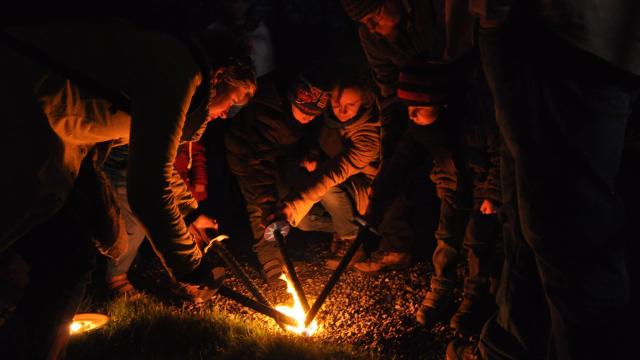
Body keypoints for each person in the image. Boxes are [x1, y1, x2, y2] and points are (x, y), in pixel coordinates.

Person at [0, 21, 255, 359]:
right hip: (24, 125)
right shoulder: (179, 72)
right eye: (232, 103)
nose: (225, 116)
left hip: (50, 135)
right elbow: (149, 186)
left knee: (64, 259)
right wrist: (190, 266)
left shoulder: (175, 67)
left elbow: (150, 159)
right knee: (59, 259)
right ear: (220, 75)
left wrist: (190, 211)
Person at [447, 1, 640, 359]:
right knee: (532, 222)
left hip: (565, 43)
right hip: (574, 41)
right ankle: (511, 344)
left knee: (565, 230)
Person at [356, 59, 500, 334]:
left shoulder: (478, 118)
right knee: (446, 239)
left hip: (482, 192)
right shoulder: (422, 126)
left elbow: (499, 155)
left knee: (477, 243)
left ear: (440, 102)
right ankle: (440, 290)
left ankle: (473, 297)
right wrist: (377, 199)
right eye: (409, 109)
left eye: (418, 109)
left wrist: (493, 193)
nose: (412, 115)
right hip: (451, 188)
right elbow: (400, 161)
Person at [340, 0, 478, 271]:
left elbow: (461, 58)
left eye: (374, 15)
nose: (371, 27)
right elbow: (389, 91)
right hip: (417, 108)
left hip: (459, 104)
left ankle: (470, 263)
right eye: (364, 22)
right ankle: (407, 246)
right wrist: (388, 148)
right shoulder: (373, 36)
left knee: (464, 181)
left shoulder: (433, 12)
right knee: (393, 166)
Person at [225, 71, 330, 284]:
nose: (307, 117)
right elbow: (259, 166)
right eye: (303, 111)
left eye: (313, 115)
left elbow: (307, 138)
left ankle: (285, 255)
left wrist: (309, 154)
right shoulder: (266, 112)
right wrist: (267, 205)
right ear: (292, 99)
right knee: (261, 209)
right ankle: (272, 265)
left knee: (287, 204)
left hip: (279, 157)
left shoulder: (302, 118)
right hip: (247, 158)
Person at [272, 68, 381, 270]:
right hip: (336, 186)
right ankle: (341, 226)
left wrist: (293, 206)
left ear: (364, 102)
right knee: (302, 221)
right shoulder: (332, 121)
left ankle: (351, 237)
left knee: (325, 185)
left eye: (350, 105)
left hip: (363, 191)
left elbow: (334, 172)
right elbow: (322, 146)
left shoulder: (368, 137)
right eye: (337, 103)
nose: (342, 110)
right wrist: (313, 155)